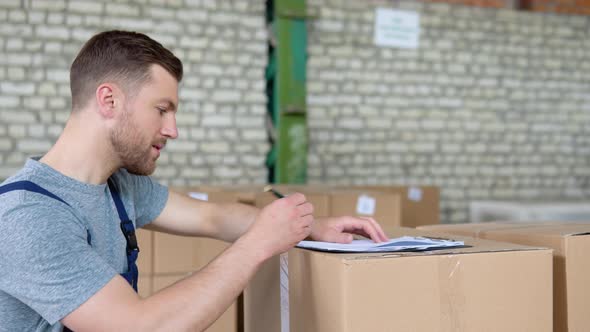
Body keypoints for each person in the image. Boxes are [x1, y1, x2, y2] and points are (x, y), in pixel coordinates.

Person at [0, 30, 388, 331]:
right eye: (162, 109)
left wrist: (310, 228)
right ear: (109, 100)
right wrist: (257, 245)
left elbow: (213, 218)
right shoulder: (28, 217)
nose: (173, 130)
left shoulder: (118, 186)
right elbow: (137, 327)